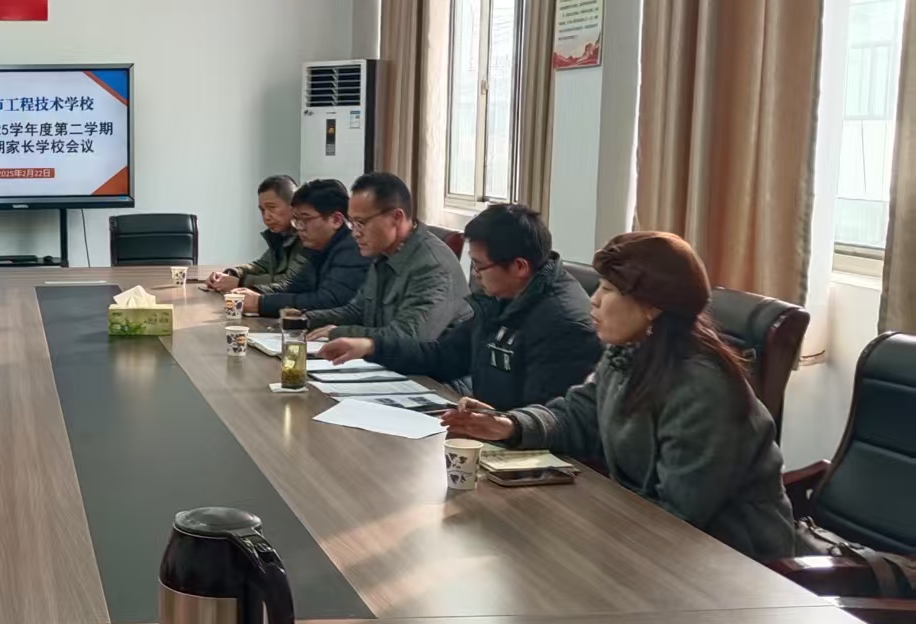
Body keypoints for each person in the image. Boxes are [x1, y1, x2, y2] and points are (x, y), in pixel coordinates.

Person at [441, 231, 796, 559]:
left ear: (653, 306)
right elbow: (578, 414)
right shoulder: (629, 351)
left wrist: (586, 526)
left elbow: (680, 515)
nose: (593, 300)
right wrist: (509, 425)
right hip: (647, 536)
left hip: (730, 559)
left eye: (608, 290)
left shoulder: (701, 387)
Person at [320, 203, 601, 408]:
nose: (475, 276)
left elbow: (545, 421)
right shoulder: (504, 296)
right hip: (485, 431)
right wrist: (371, 346)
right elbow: (445, 355)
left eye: (479, 266)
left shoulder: (564, 324)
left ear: (519, 266)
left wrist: (493, 424)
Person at [308, 171, 471, 344]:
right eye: (352, 223)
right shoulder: (384, 253)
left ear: (396, 218)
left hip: (429, 362)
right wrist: (305, 319)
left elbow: (408, 337)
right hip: (386, 357)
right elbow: (358, 311)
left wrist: (338, 333)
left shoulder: (433, 266)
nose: (355, 233)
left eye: (361, 223)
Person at [242, 178, 370, 317]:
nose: (299, 227)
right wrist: (256, 293)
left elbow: (329, 301)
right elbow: (295, 286)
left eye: (305, 219)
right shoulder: (316, 246)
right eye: (296, 220)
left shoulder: (353, 249)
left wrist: (261, 303)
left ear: (336, 220)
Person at [207, 175, 303, 294]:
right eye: (262, 210)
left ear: (293, 206)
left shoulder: (308, 237)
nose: (266, 217)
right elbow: (261, 266)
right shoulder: (281, 236)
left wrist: (242, 282)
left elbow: (291, 281)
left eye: (272, 208)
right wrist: (232, 273)